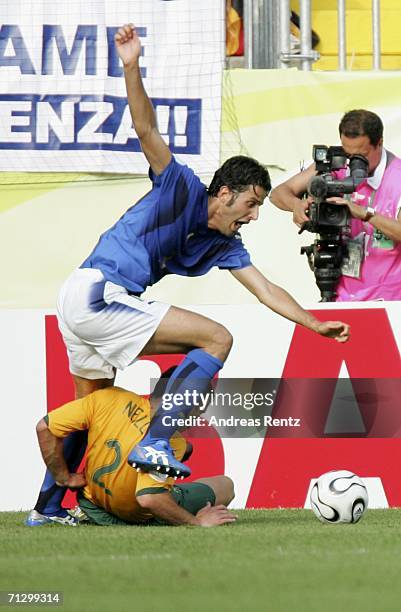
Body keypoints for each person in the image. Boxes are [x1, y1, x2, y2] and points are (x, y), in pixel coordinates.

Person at [33, 23, 350, 524]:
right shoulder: (179, 186)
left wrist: (312, 323)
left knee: (90, 414)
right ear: (224, 192)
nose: (253, 215)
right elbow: (146, 131)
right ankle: (156, 443)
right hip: (99, 294)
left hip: (83, 302)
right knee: (217, 339)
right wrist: (132, 66)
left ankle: (48, 509)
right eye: (250, 204)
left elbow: (265, 288)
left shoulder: (224, 242)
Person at [27, 382, 236, 527]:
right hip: (136, 517)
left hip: (92, 506)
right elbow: (150, 500)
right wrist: (197, 522)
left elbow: (44, 427)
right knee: (225, 485)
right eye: (198, 411)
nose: (194, 418)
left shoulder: (110, 397)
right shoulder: (172, 441)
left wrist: (63, 476)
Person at [270, 109, 401, 302]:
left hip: (389, 299)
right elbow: (278, 193)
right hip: (340, 295)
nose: (352, 161)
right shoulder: (336, 163)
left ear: (379, 142)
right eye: (348, 153)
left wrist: (366, 214)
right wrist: (297, 205)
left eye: (361, 155)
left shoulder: (397, 176)